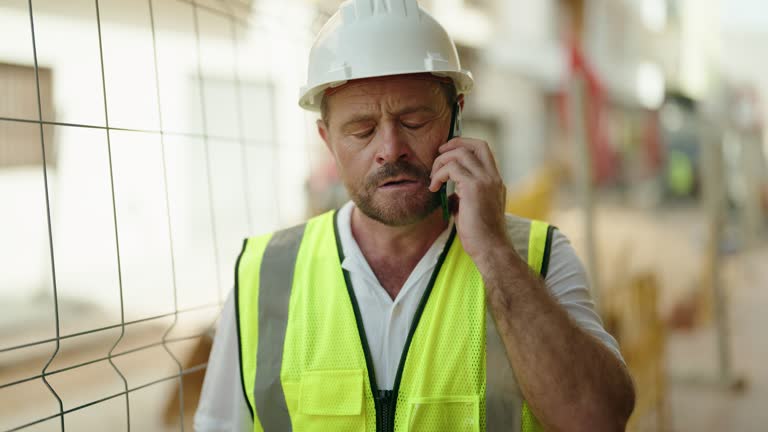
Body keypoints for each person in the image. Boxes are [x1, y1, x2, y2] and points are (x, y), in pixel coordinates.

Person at [194, 1, 635, 431]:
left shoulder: (538, 257)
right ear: (328, 140)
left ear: (455, 120)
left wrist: (495, 253)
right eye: (362, 130)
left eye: (415, 120)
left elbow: (597, 419)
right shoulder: (264, 274)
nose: (390, 149)